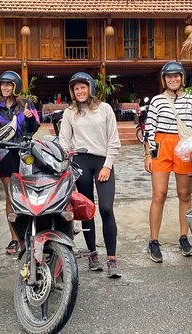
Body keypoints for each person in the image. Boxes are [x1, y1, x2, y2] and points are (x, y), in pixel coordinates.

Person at [58, 72, 122, 278]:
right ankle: (92, 253)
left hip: (102, 162)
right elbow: (64, 140)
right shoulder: (70, 112)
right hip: (80, 163)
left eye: (83, 87)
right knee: (87, 210)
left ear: (90, 88)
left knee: (106, 208)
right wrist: (64, 159)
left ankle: (111, 258)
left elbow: (114, 140)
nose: (80, 91)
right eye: (76, 89)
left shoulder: (105, 109)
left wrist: (108, 165)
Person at [144, 61, 192, 263]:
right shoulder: (157, 101)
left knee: (184, 194)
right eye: (169, 76)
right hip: (162, 145)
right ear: (164, 79)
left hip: (185, 146)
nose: (173, 79)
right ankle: (154, 240)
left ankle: (184, 237)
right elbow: (149, 129)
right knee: (159, 195)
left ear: (182, 78)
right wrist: (148, 155)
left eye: (176, 75)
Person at [0, 71, 39, 255]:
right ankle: (15, 239)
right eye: (2, 84)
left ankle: (31, 236)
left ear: (16, 86)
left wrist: (30, 118)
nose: (5, 88)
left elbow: (34, 128)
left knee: (28, 197)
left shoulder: (26, 104)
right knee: (11, 196)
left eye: (8, 84)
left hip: (24, 154)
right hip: (5, 156)